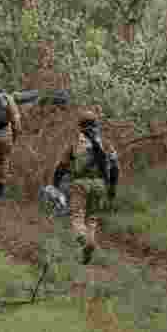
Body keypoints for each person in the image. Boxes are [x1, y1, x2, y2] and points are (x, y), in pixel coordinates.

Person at [52, 108, 120, 264]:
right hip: (99, 184)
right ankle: (89, 243)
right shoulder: (106, 143)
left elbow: (61, 167)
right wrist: (112, 188)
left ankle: (83, 240)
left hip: (80, 184)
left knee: (77, 216)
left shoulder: (75, 144)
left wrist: (55, 185)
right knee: (92, 219)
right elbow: (115, 167)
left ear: (80, 126)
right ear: (96, 124)